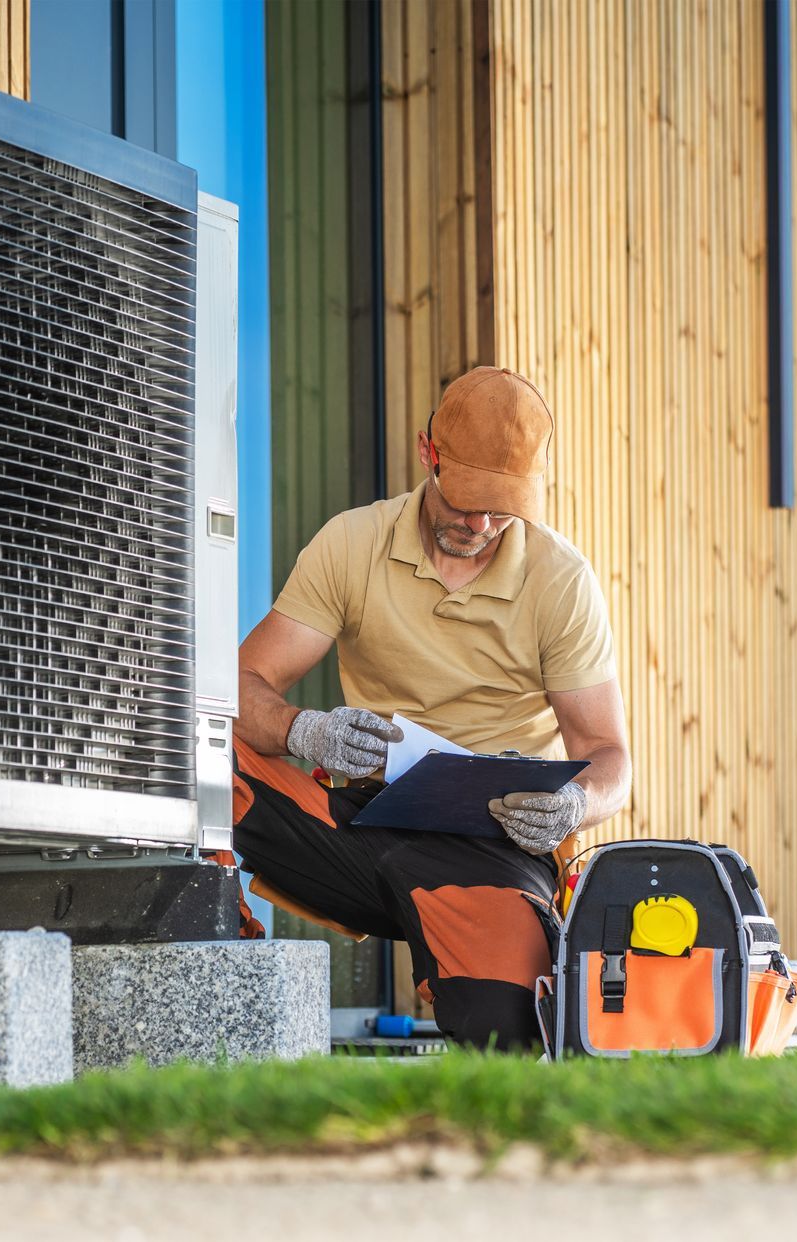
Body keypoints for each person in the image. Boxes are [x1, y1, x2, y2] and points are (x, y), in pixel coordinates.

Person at [232, 366, 631, 1050]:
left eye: (501, 510)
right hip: (353, 826)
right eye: (467, 499)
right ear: (428, 453)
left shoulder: (561, 580)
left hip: (493, 850)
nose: (479, 525)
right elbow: (241, 684)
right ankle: (215, 948)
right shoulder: (352, 543)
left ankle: (458, 951)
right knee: (198, 737)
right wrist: (307, 731)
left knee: (510, 1032)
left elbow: (610, 755)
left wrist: (574, 806)